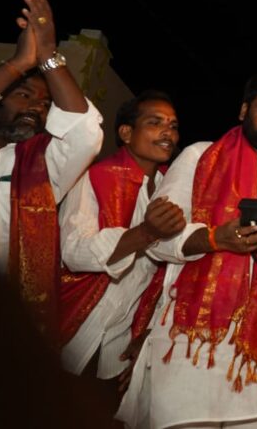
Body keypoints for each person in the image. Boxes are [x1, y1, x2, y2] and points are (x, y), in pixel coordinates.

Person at [116, 71, 257, 428]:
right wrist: (216, 239)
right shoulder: (199, 157)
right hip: (191, 347)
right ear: (244, 110)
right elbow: (157, 238)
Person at [0, 0, 103, 341]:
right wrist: (19, 63)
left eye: (45, 103)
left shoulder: (46, 163)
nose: (37, 107)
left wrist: (48, 56)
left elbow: (86, 133)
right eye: (24, 95)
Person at [58, 91, 186, 399]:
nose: (167, 132)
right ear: (126, 133)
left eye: (173, 126)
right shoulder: (95, 177)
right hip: (69, 328)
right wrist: (145, 233)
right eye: (155, 123)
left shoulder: (176, 195)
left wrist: (150, 335)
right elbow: (74, 252)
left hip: (119, 348)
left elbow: (173, 279)